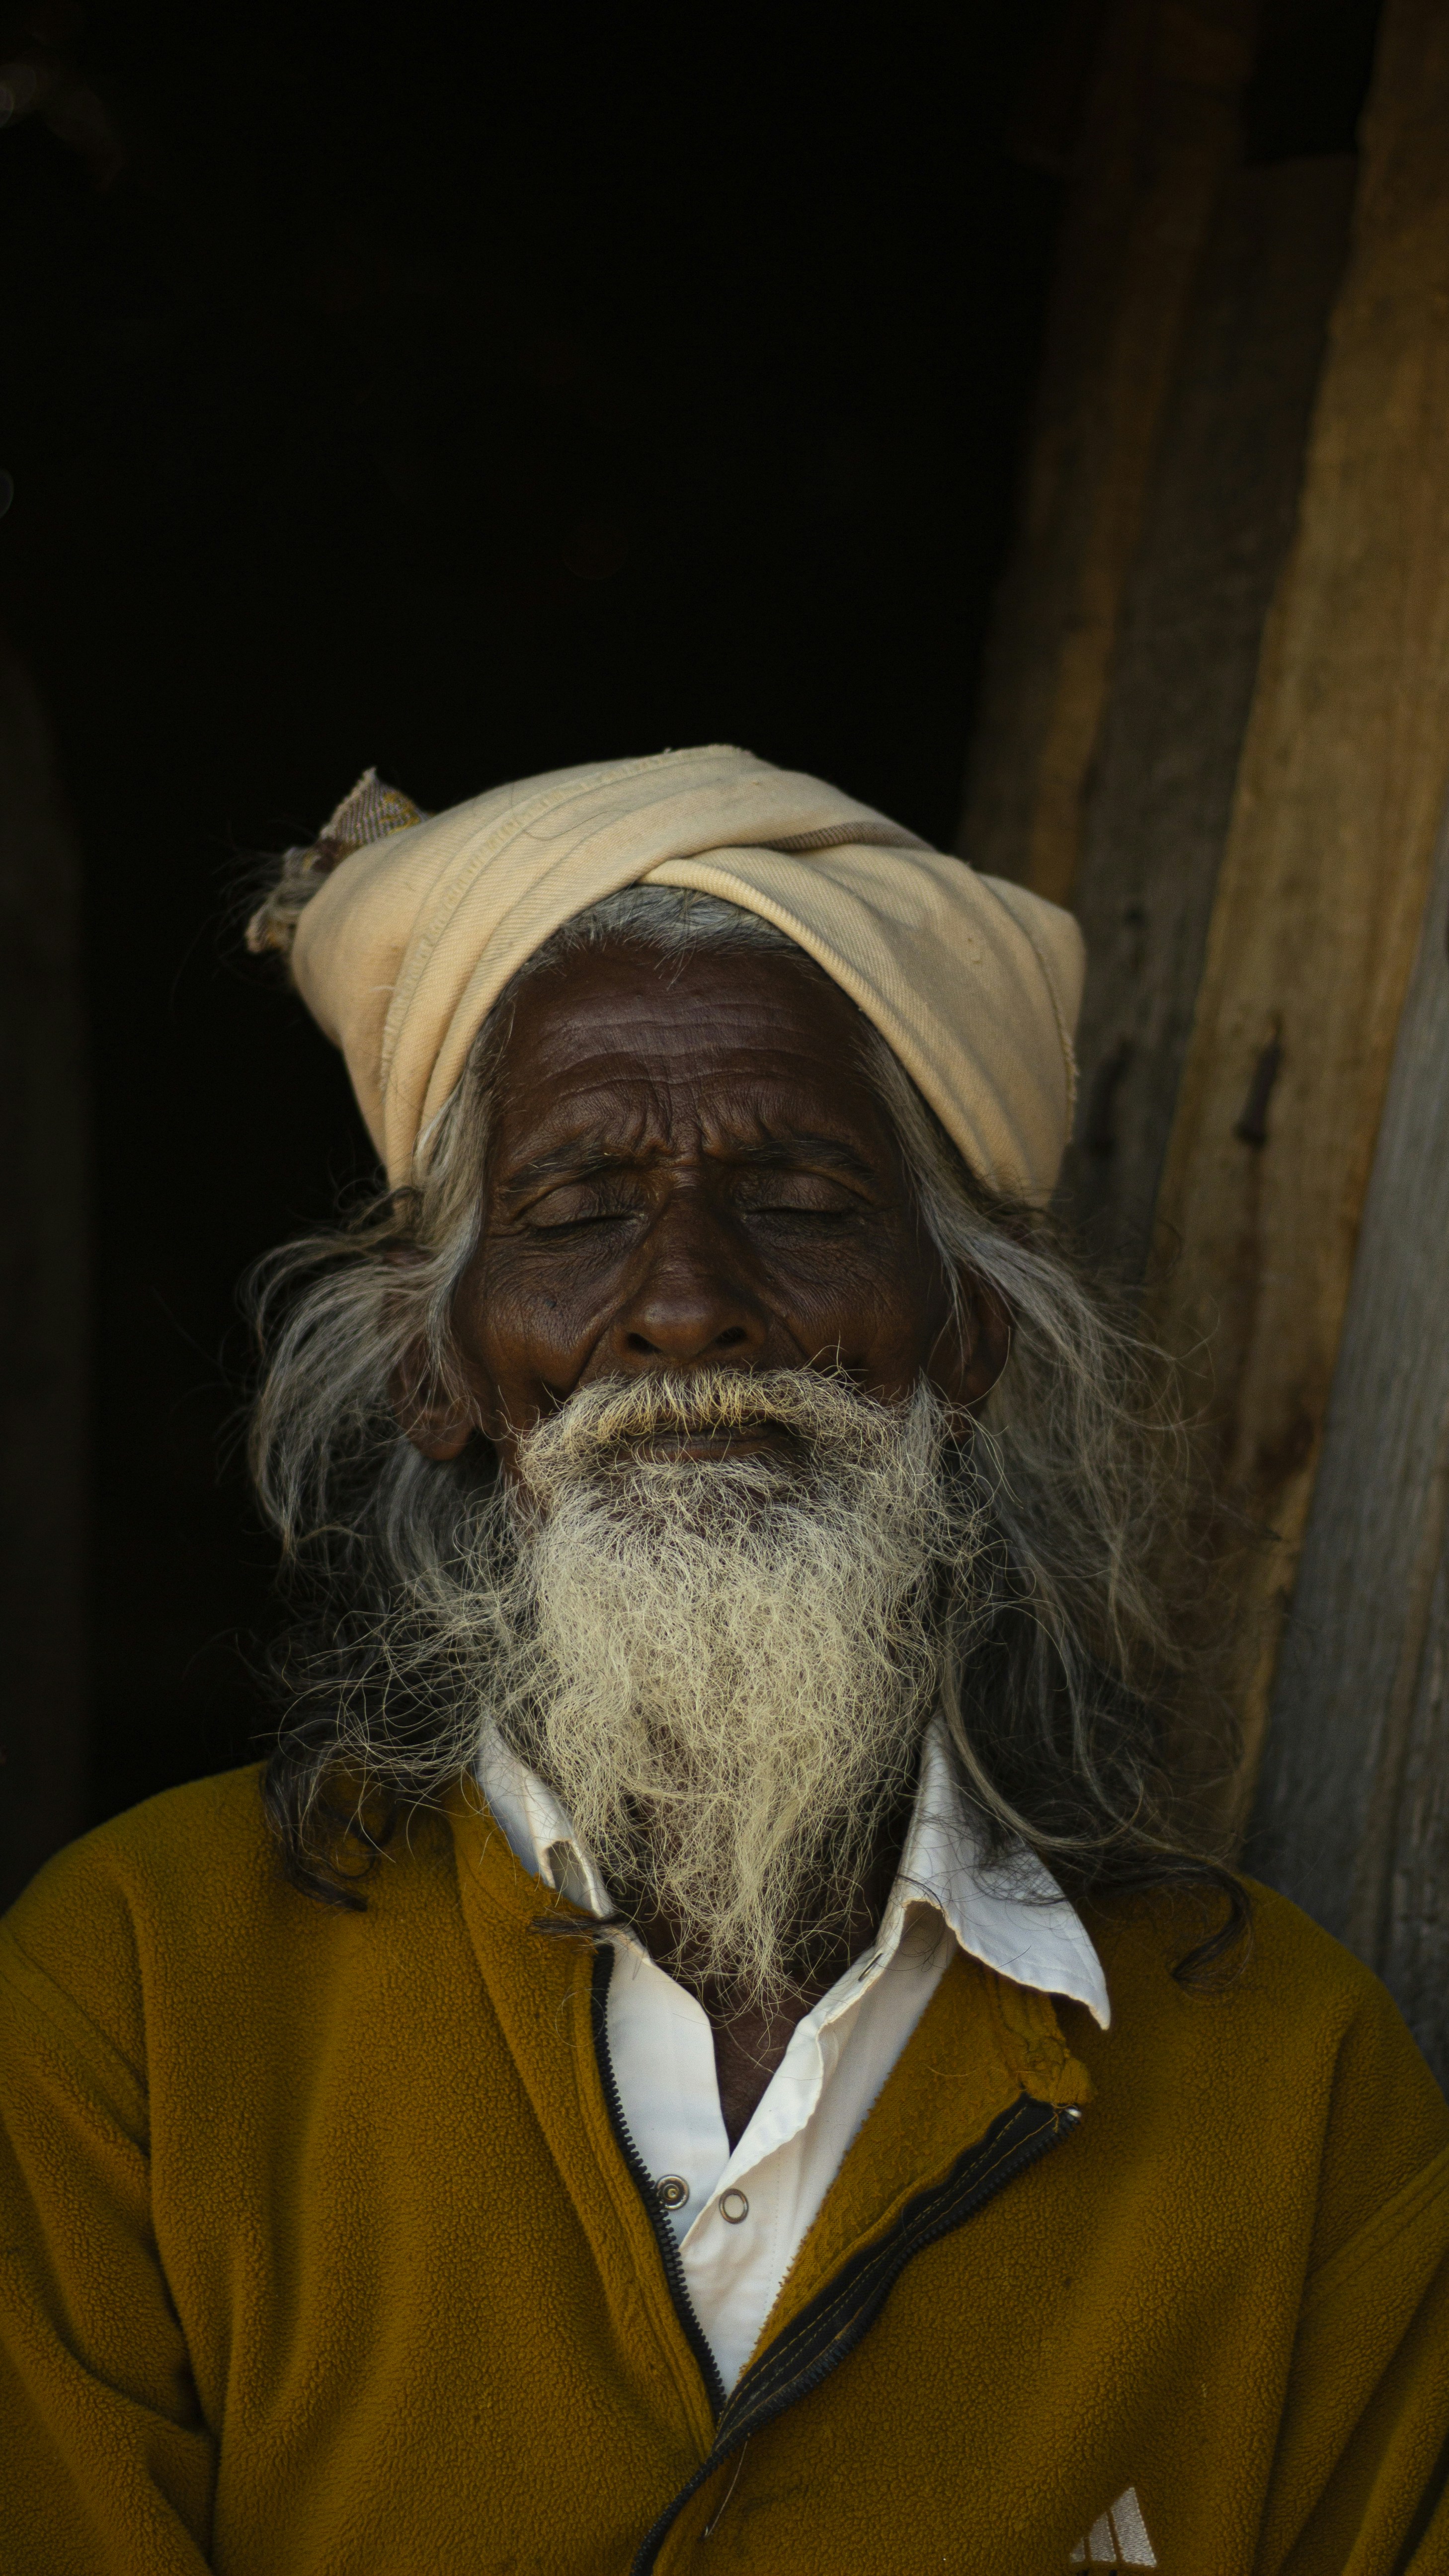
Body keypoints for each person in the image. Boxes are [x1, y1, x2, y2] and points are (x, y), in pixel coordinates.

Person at [1, 746, 1446, 2576]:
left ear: (968, 1333)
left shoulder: (1283, 2090)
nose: (686, 1298)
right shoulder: (135, 2005)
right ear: (439, 1374)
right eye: (577, 1209)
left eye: (804, 1196)